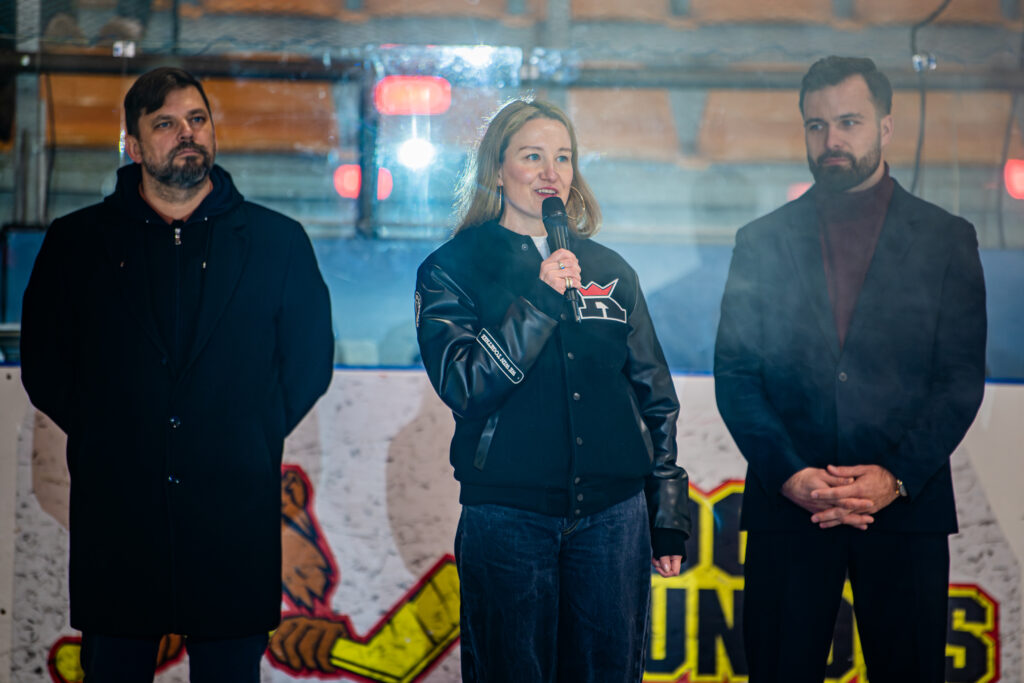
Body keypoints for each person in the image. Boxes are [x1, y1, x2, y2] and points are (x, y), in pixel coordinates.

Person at [20, 66, 334, 682]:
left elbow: (308, 361)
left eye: (197, 119)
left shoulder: (278, 242)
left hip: (233, 520)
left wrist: (250, 432)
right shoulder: (76, 243)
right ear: (134, 146)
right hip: (119, 518)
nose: (186, 133)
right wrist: (107, 433)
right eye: (165, 123)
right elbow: (45, 363)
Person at [714, 56, 986, 683]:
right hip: (791, 508)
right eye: (816, 125)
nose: (831, 139)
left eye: (848, 122)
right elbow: (736, 375)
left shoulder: (947, 238)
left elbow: (959, 380)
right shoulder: (761, 240)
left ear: (886, 127)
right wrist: (791, 474)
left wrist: (894, 477)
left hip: (904, 509)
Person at [415, 99, 691, 681]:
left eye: (563, 157)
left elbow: (653, 395)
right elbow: (464, 385)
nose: (551, 172)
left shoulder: (610, 269)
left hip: (613, 518)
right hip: (507, 518)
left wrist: (667, 510)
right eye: (532, 156)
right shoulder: (451, 268)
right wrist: (539, 302)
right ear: (497, 170)